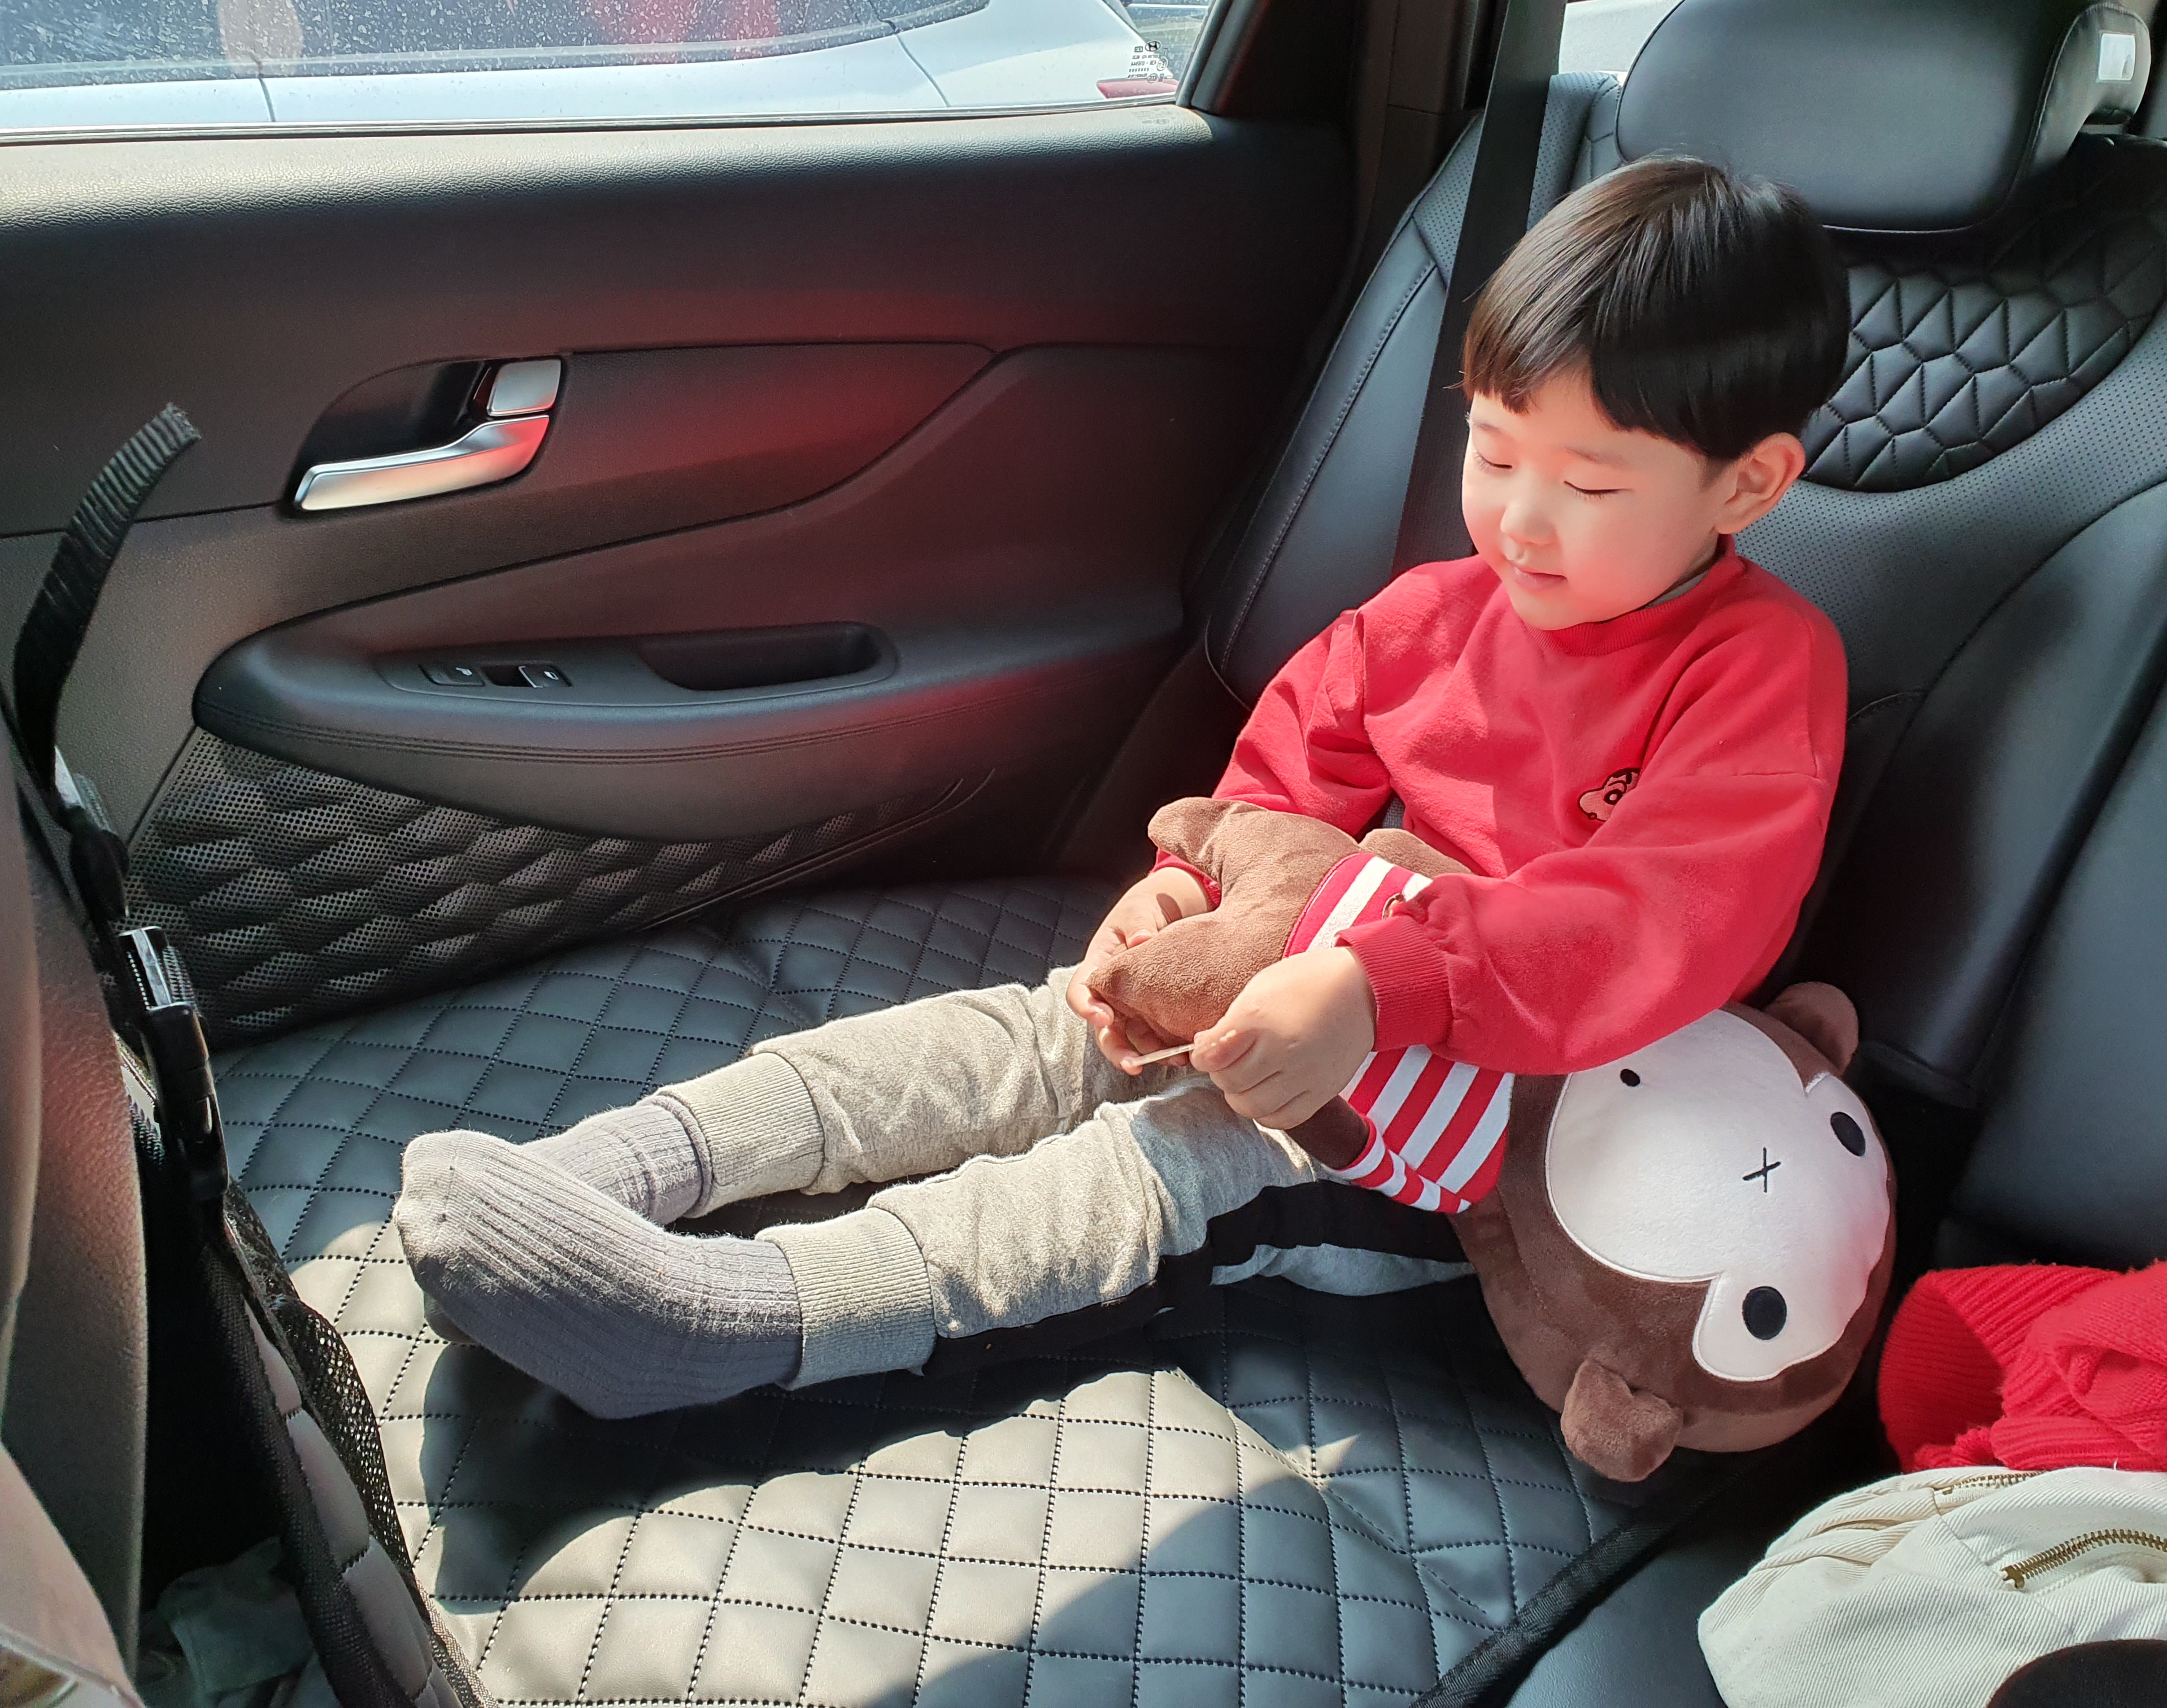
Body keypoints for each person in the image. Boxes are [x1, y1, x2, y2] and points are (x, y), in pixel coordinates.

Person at [393, 155, 1854, 1417]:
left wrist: (1377, 988)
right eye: (1493, 450)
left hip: (1520, 1109)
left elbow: (1658, 917)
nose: (1520, 522)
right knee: (1054, 1028)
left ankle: (742, 1322)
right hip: (1346, 962)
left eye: (1590, 486)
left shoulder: (1758, 670)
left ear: (1748, 483)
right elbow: (1297, 763)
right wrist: (1193, 888)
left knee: (1168, 1160)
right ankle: (618, 1167)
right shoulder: (1440, 610)